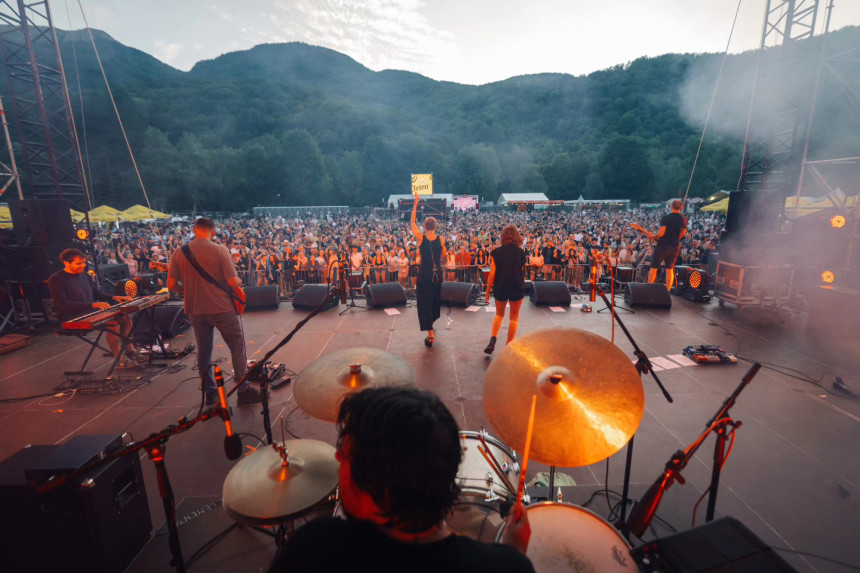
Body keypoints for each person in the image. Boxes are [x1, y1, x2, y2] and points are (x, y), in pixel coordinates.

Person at [270, 387, 533, 573]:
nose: (337, 460)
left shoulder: (314, 551)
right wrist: (513, 549)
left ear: (373, 494)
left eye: (345, 454)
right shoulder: (505, 567)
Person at [166, 218, 262, 406]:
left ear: (195, 230)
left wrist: (188, 290)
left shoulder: (179, 252)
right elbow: (233, 282)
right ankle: (243, 390)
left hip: (195, 309)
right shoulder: (219, 250)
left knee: (204, 351)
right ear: (214, 232)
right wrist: (240, 283)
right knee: (236, 346)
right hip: (221, 308)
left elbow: (170, 285)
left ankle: (210, 393)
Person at [48, 248, 137, 368]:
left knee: (125, 319)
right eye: (78, 263)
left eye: (84, 262)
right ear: (66, 263)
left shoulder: (85, 275)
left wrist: (115, 297)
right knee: (112, 323)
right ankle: (119, 359)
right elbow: (62, 304)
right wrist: (93, 305)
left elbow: (96, 293)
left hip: (90, 312)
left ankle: (130, 352)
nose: (83, 266)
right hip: (72, 317)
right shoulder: (56, 279)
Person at [484, 225, 527, 354]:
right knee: (514, 318)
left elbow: (492, 274)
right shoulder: (521, 253)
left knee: (499, 314)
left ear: (503, 237)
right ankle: (509, 345)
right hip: (516, 287)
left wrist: (487, 292)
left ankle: (493, 339)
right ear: (517, 237)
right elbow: (521, 271)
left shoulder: (496, 252)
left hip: (500, 286)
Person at [411, 193, 446, 347]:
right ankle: (432, 321)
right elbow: (443, 255)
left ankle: (430, 335)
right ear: (436, 226)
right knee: (434, 299)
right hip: (437, 272)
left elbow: (412, 222)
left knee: (424, 301)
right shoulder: (441, 239)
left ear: (425, 227)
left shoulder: (420, 238)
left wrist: (415, 204)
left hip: (425, 273)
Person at [638, 200, 687, 290]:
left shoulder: (666, 218)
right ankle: (667, 290)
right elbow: (683, 233)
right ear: (681, 207)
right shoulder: (683, 219)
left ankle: (649, 288)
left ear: (671, 206)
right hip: (674, 247)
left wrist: (653, 236)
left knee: (654, 267)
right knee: (669, 269)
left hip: (662, 246)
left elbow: (661, 233)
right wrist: (675, 238)